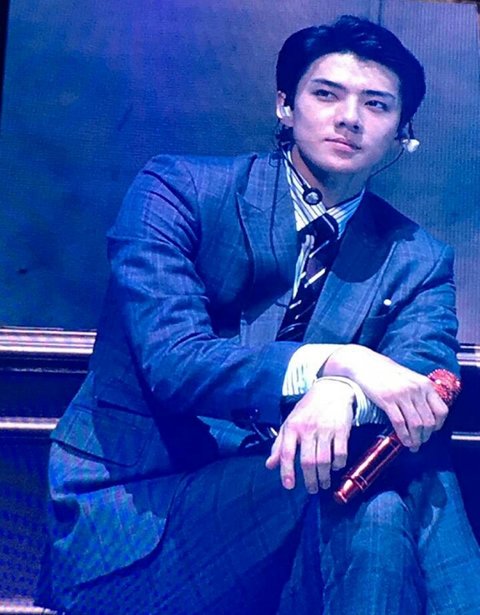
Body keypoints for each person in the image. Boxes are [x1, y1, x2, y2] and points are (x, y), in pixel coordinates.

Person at [38, 14, 480, 615]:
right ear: (285, 106)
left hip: (303, 502)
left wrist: (341, 394)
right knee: (369, 497)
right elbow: (175, 363)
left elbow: (422, 385)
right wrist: (339, 363)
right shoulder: (177, 190)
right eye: (326, 94)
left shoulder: (417, 258)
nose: (349, 118)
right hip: (145, 511)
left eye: (376, 105)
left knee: (374, 507)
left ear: (403, 132)